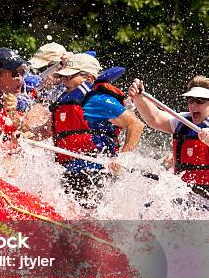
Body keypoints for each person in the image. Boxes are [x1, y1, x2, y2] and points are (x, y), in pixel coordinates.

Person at [48, 53, 145, 208]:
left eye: (69, 76)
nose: (64, 81)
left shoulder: (98, 100)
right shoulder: (65, 103)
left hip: (94, 173)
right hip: (70, 172)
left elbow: (136, 124)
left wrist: (122, 158)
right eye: (63, 77)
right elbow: (47, 131)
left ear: (89, 79)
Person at [128, 75, 209, 199]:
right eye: (191, 100)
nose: (193, 105)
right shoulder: (182, 121)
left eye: (200, 101)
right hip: (183, 192)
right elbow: (155, 118)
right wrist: (139, 99)